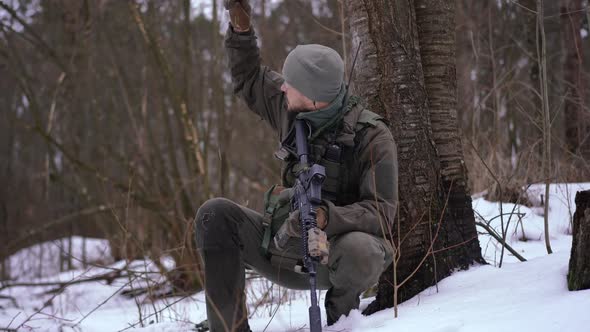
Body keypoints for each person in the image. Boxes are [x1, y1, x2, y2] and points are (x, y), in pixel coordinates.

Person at [194, 1, 398, 331]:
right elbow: (249, 78)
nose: (283, 86)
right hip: (284, 243)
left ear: (316, 97)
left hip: (336, 256)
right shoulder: (291, 105)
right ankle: (227, 327)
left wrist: (327, 217)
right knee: (213, 214)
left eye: (291, 83)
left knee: (363, 250)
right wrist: (241, 28)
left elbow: (383, 211)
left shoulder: (372, 137)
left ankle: (342, 323)